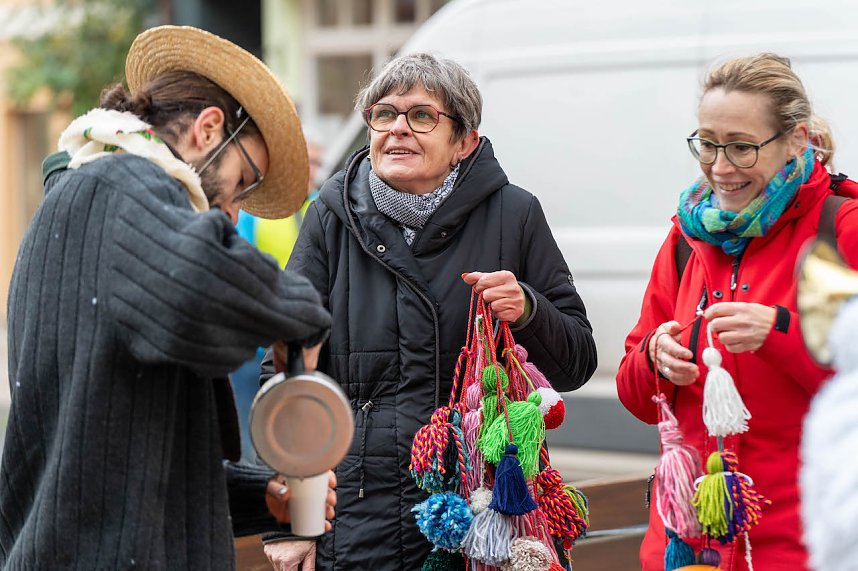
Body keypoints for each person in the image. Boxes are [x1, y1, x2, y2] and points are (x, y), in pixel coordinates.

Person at [0, 25, 336, 569]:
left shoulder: (90, 201)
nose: (235, 213)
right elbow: (213, 277)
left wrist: (262, 495)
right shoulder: (120, 187)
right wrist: (302, 320)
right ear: (208, 130)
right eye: (244, 183)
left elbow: (120, 458)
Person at [261, 52, 598, 570]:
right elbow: (288, 378)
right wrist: (292, 522)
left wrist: (528, 309)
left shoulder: (515, 214)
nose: (397, 129)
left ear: (464, 141)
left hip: (482, 516)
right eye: (383, 113)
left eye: (420, 116)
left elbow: (576, 364)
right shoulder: (329, 216)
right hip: (356, 515)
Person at [616, 53, 858, 570]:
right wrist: (655, 359)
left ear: (795, 140)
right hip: (683, 546)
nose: (721, 167)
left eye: (743, 148)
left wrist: (781, 332)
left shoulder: (842, 229)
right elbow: (634, 394)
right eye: (708, 144)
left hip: (799, 547)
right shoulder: (685, 236)